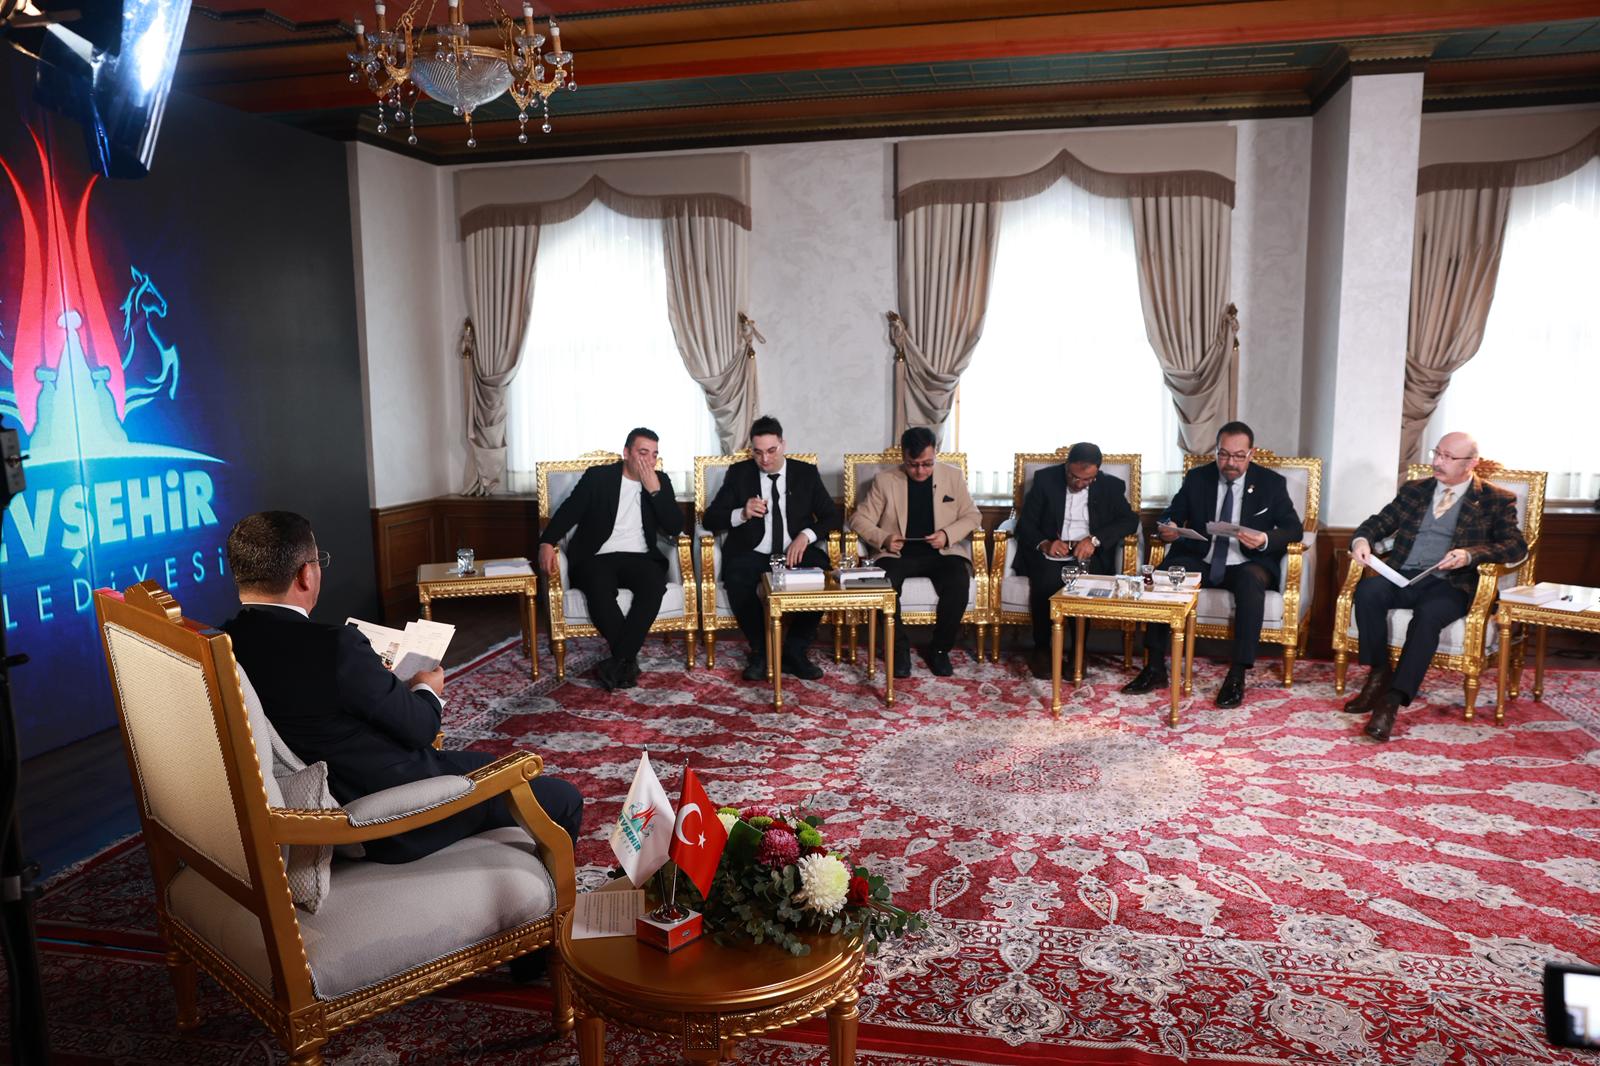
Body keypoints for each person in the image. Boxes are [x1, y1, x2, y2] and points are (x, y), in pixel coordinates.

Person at [222, 511, 584, 863]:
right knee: (563, 798)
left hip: (336, 788)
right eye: (319, 561)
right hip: (396, 812)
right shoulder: (335, 647)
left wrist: (375, 681)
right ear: (306, 574)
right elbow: (421, 728)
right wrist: (427, 688)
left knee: (492, 763)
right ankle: (544, 893)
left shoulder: (225, 644)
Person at [1343, 431, 1527, 742]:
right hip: (1405, 576)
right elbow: (1378, 522)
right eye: (1437, 453)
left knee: (1427, 616)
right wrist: (1362, 540)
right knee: (1368, 592)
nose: (1438, 462)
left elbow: (1515, 546)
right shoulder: (1415, 490)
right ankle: (1378, 673)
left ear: (1471, 463)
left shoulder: (1495, 499)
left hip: (1452, 584)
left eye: (1448, 457)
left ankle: (1391, 701)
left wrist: (1470, 554)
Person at [1126, 421, 1302, 708]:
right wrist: (1169, 526)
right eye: (1223, 454)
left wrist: (1265, 538)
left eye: (1238, 456)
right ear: (1216, 451)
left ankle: (1237, 675)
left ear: (1251, 453)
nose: (1230, 463)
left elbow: (1293, 529)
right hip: (1201, 557)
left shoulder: (1271, 483)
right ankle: (1155, 666)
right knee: (1164, 576)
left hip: (1247, 561)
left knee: (1251, 581)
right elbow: (1173, 513)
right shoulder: (1198, 478)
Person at [537, 428, 684, 691]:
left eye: (654, 455)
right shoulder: (599, 477)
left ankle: (620, 662)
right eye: (643, 452)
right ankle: (626, 662)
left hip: (640, 556)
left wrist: (655, 492)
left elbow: (674, 527)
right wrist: (547, 542)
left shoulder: (660, 481)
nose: (649, 460)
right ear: (626, 453)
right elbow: (570, 511)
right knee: (599, 587)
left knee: (653, 585)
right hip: (597, 556)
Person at [704, 415, 839, 682]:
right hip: (753, 551)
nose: (765, 459)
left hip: (794, 551)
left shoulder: (805, 473)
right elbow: (711, 519)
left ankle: (795, 650)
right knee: (737, 576)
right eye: (758, 452)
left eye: (771, 451)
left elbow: (832, 516)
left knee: (821, 577)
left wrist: (805, 536)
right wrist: (741, 513)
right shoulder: (739, 473)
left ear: (783, 444)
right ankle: (762, 651)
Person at [849, 426, 982, 677]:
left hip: (941, 553)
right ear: (903, 456)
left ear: (935, 454)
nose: (920, 471)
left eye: (927, 464)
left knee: (958, 581)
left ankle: (939, 649)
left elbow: (973, 516)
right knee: (883, 586)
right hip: (898, 554)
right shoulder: (885, 481)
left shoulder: (953, 476)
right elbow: (859, 519)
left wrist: (947, 534)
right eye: (913, 465)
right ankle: (899, 649)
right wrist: (884, 538)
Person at [1012, 441, 1138, 680]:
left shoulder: (1111, 486)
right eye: (1074, 477)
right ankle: (1042, 648)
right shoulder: (1045, 480)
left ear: (1096, 473)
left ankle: (1078, 651)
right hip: (1053, 551)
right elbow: (1025, 523)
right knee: (1047, 583)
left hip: (1088, 554)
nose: (1079, 483)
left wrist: (1095, 540)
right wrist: (1045, 543)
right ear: (1066, 466)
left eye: (1087, 480)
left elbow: (1130, 521)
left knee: (1082, 587)